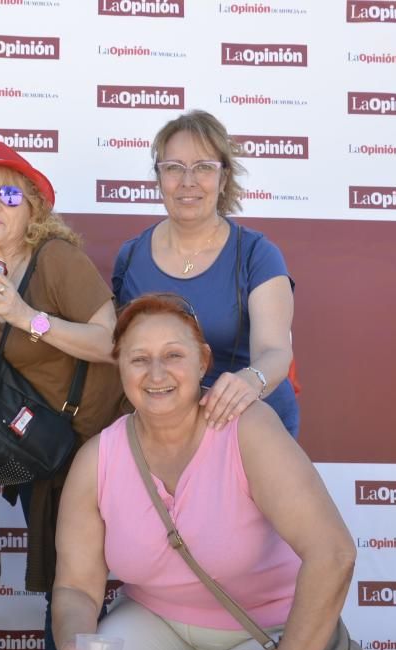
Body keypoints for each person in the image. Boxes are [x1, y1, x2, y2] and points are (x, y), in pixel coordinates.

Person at [52, 294, 356, 650]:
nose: (157, 373)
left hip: (269, 629)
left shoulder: (248, 429)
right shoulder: (97, 458)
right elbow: (76, 588)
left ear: (204, 362)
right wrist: (75, 647)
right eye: (139, 359)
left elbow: (333, 552)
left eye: (174, 355)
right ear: (120, 368)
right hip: (155, 621)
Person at [0, 141, 123, 650]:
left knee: (84, 584)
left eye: (9, 193)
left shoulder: (55, 259)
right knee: (63, 587)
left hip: (95, 450)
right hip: (42, 455)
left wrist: (27, 316)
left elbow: (112, 344)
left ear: (33, 208)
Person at [112, 110, 299, 436]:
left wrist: (248, 382)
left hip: (248, 426)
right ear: (159, 178)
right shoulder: (130, 257)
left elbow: (276, 353)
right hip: (165, 431)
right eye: (173, 168)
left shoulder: (257, 254)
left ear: (223, 178)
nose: (188, 182)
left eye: (203, 168)